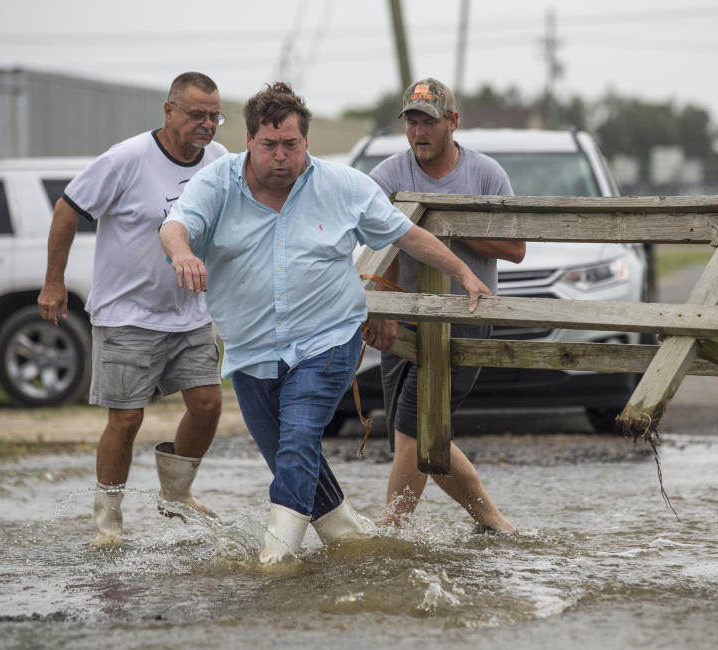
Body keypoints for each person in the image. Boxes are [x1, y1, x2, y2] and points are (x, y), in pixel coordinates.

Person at [159, 81, 492, 564]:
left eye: (291, 145)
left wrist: (461, 272)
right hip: (251, 348)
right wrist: (183, 253)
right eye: (269, 145)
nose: (280, 156)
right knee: (288, 458)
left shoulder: (342, 184)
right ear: (249, 141)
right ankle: (350, 541)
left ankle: (275, 561)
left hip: (328, 339)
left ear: (305, 143)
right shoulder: (216, 183)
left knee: (297, 441)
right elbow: (175, 225)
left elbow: (407, 234)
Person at [37, 72, 228, 545]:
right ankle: (108, 521)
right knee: (126, 419)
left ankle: (176, 493)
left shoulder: (220, 160)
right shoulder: (127, 159)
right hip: (127, 313)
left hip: (189, 313)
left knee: (207, 405)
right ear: (169, 111)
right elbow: (67, 208)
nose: (207, 125)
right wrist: (54, 281)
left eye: (214, 116)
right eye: (197, 115)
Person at [365, 78, 525, 534]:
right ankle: (493, 522)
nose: (419, 132)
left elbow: (516, 249)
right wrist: (386, 308)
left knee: (415, 430)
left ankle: (391, 532)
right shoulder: (389, 175)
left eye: (429, 122)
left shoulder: (486, 173)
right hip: (404, 320)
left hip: (466, 317)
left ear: (453, 122)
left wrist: (441, 231)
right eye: (412, 122)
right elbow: (378, 242)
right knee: (410, 433)